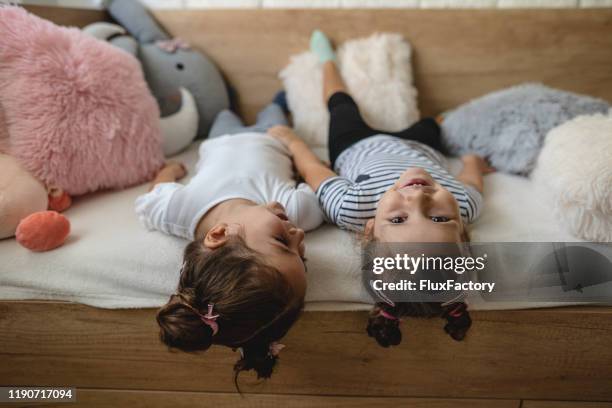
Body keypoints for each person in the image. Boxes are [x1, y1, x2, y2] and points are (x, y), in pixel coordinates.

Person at [268, 30, 494, 347]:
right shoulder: (464, 205)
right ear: (463, 232)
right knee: (437, 123)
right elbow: (471, 182)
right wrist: (473, 162)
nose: (417, 197)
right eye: (440, 219)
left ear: (371, 229)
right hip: (420, 145)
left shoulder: (351, 207)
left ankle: (327, 62)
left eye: (399, 219)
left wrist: (292, 142)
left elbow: (313, 169)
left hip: (355, 144)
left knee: (340, 105)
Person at [135, 95, 323, 380]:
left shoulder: (179, 211)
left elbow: (152, 197)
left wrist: (169, 171)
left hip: (219, 140)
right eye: (302, 255)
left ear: (219, 234)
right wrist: (296, 147)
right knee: (273, 110)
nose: (298, 235)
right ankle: (278, 101)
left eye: (283, 242)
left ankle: (232, 101)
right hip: (271, 137)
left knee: (223, 111)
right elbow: (318, 179)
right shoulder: (296, 209)